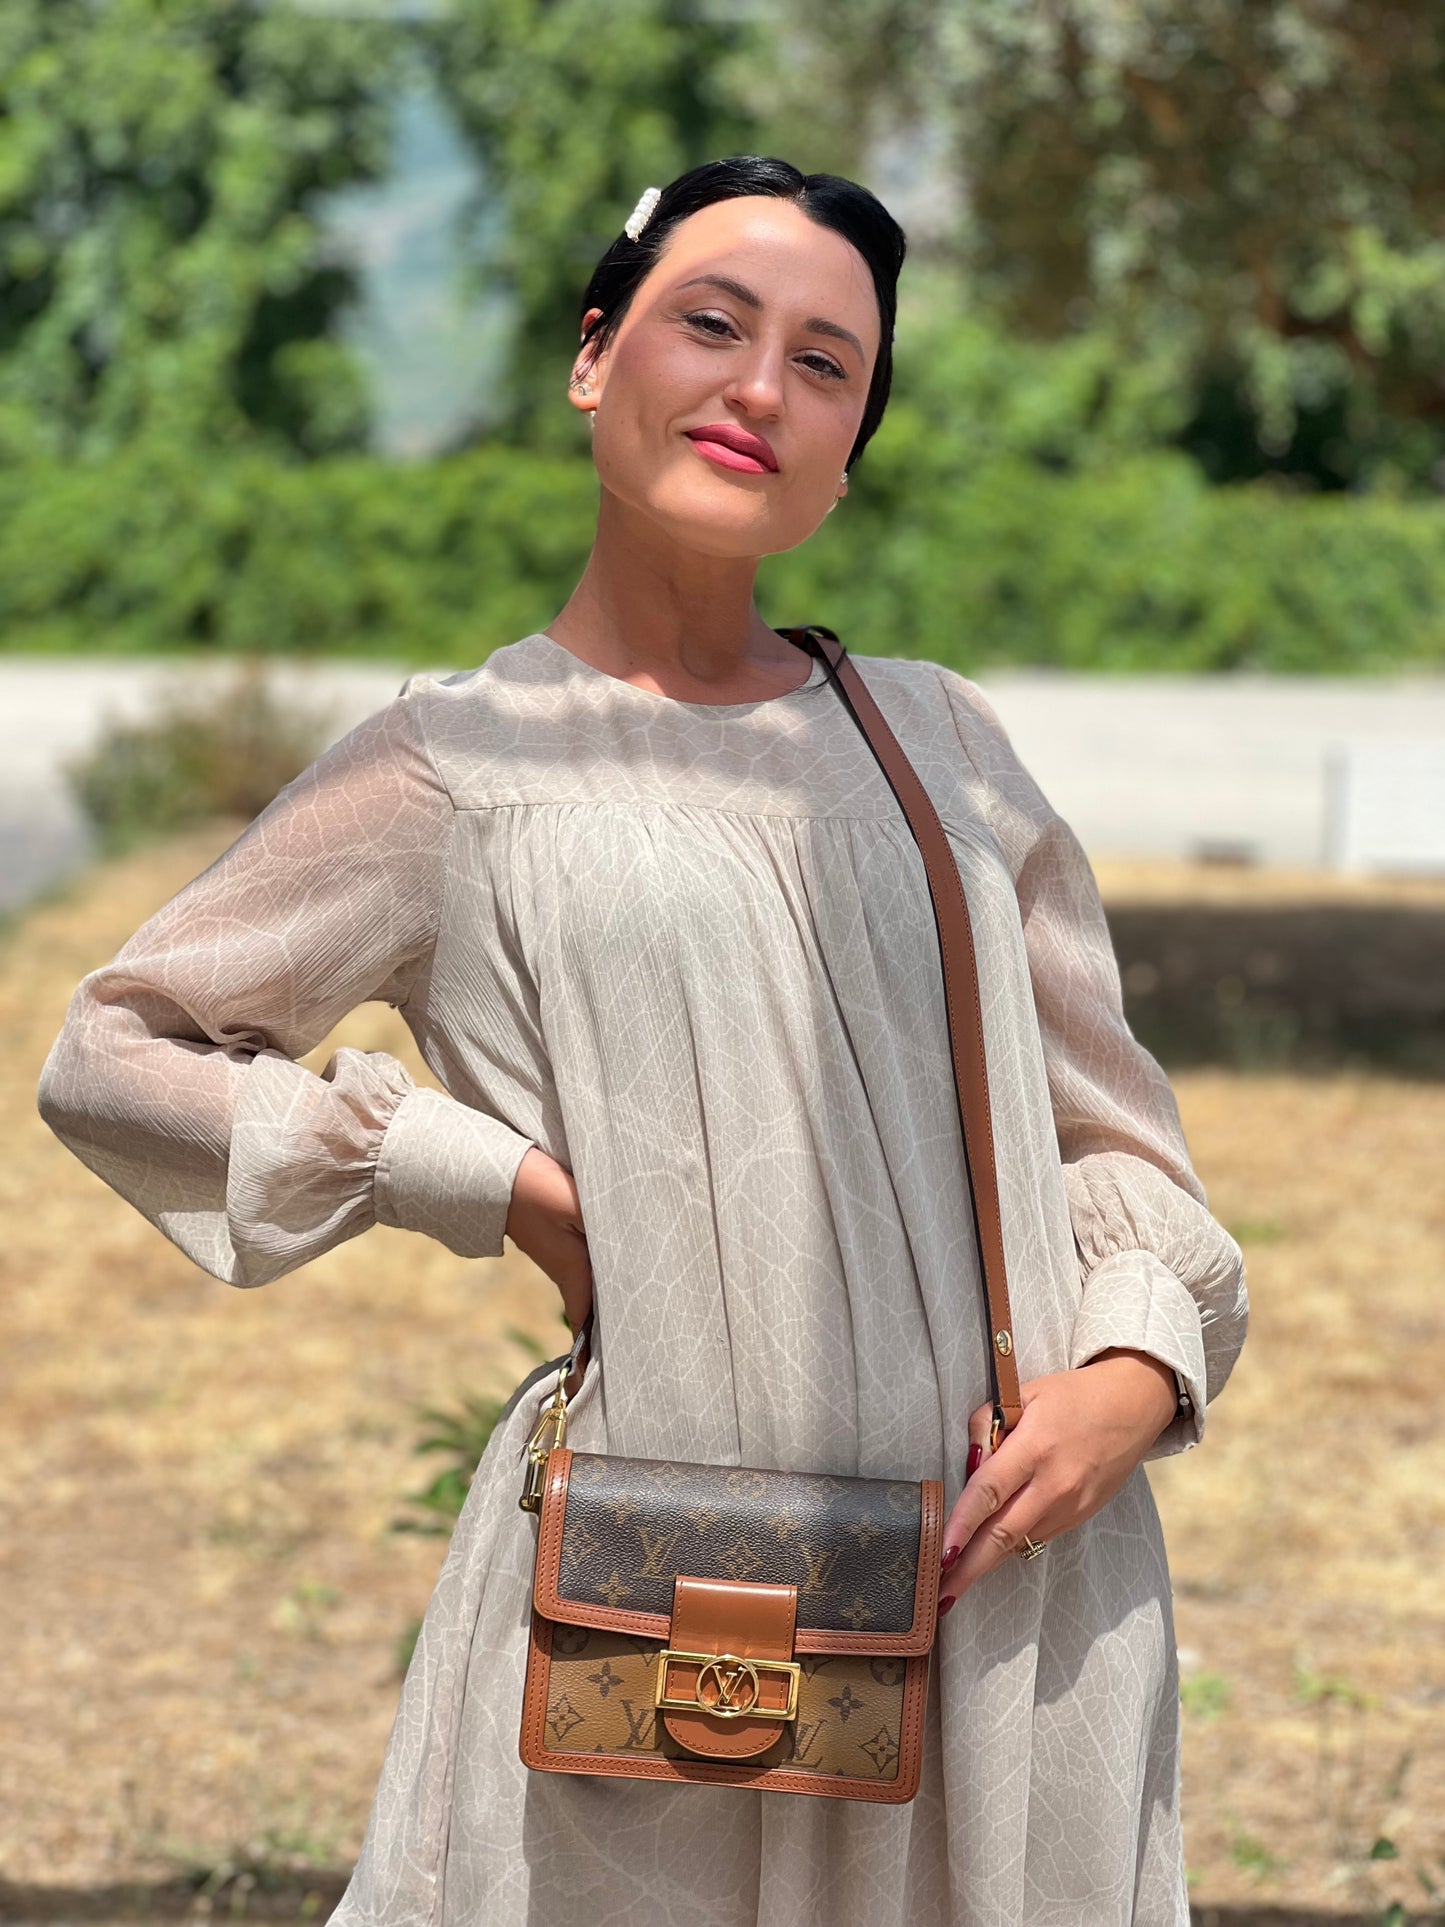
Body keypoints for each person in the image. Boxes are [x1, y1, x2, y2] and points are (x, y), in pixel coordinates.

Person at [36, 156, 1248, 1926]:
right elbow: (115, 1050)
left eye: (825, 365)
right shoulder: (457, 763)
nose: (761, 388)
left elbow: (1112, 1141)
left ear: (849, 452)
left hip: (1007, 1586)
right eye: (712, 323)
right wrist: (488, 1179)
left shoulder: (941, 745)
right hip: (671, 1592)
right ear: (593, 356)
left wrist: (1131, 1372)